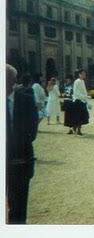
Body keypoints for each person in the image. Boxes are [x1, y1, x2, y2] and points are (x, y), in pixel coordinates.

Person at [6, 64, 38, 224]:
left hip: (20, 163)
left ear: (12, 81)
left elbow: (32, 131)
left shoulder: (26, 99)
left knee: (18, 211)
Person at [72, 69, 90, 135]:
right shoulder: (77, 82)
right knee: (78, 116)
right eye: (83, 74)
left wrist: (86, 99)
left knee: (82, 116)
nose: (84, 75)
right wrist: (85, 97)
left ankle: (79, 129)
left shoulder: (82, 81)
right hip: (78, 101)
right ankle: (75, 128)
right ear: (79, 74)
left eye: (84, 74)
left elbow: (84, 91)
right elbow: (76, 93)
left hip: (82, 100)